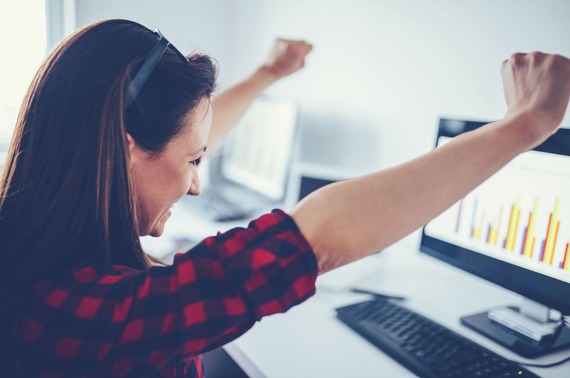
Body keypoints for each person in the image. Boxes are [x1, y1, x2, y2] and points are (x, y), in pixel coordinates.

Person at [0, 18, 568, 377]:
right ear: (123, 149)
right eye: (194, 162)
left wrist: (270, 72)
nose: (197, 183)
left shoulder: (30, 241)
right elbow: (314, 237)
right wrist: (523, 125)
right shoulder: (71, 310)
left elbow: (169, 147)